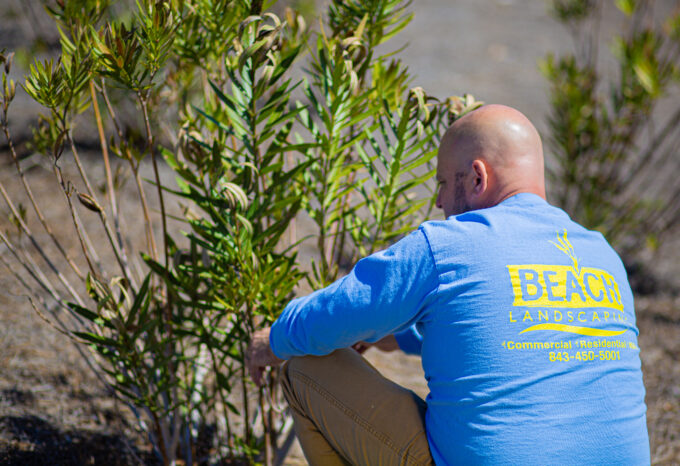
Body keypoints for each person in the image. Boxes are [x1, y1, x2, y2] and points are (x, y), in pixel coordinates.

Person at [246, 104, 651, 465]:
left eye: (442, 183)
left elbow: (337, 312)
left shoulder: (449, 244)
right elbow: (526, 326)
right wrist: (399, 338)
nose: (439, 202)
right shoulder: (603, 257)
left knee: (305, 366)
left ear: (477, 177)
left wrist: (272, 340)